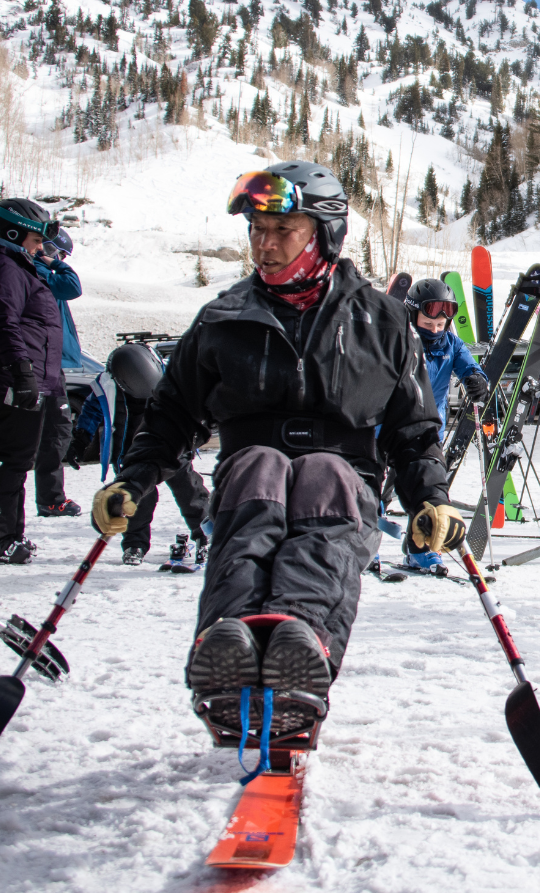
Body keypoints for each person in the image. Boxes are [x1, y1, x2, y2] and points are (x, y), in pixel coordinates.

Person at [90, 161, 458, 742]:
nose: (263, 244)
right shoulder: (223, 318)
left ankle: (300, 651)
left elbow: (412, 428)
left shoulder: (382, 322)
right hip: (250, 471)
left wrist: (431, 498)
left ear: (323, 233)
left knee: (323, 477)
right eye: (256, 230)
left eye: (281, 230)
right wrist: (132, 481)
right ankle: (228, 654)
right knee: (261, 471)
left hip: (345, 479)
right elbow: (173, 413)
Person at [0, 199, 65, 565]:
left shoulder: (12, 265)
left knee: (14, 458)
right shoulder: (5, 267)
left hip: (18, 374)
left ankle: (2, 538)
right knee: (12, 459)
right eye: (36, 239)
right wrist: (22, 372)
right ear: (14, 232)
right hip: (12, 376)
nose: (40, 247)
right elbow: (4, 322)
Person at [69, 341, 209, 565]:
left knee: (191, 491)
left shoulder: (172, 376)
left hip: (171, 446)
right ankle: (135, 544)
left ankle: (207, 534)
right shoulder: (106, 384)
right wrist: (80, 439)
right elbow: (91, 411)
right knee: (135, 499)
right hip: (129, 452)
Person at [394, 277, 486, 570]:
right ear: (412, 316)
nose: (435, 331)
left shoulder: (451, 343)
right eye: (428, 324)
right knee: (371, 486)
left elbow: (472, 367)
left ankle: (419, 547)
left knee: (428, 488)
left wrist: (476, 380)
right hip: (389, 425)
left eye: (440, 325)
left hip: (427, 428)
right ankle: (363, 543)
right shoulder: (398, 340)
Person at [32, 228, 83, 517]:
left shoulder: (43, 273)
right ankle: (51, 499)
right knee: (56, 430)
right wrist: (51, 261)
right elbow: (73, 285)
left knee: (37, 430)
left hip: (51, 361)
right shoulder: (42, 271)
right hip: (45, 363)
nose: (62, 259)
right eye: (60, 253)